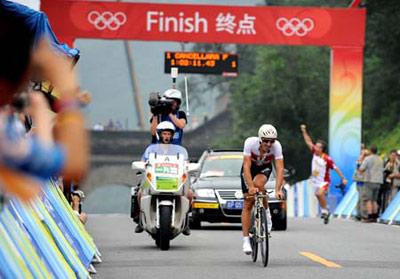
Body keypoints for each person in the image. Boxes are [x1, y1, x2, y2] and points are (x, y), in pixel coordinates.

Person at [134, 121, 192, 235]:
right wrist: (141, 166)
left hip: (174, 180)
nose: (167, 136)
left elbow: (186, 165)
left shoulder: (180, 150)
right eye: (164, 134)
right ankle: (141, 219)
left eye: (169, 134)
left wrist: (189, 167)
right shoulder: (150, 149)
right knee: (140, 193)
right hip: (152, 180)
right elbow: (143, 162)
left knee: (189, 194)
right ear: (159, 134)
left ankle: (186, 222)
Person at [241, 124, 285, 255]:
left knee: (259, 185)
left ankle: (267, 214)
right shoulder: (250, 143)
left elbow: (280, 168)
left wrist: (278, 189)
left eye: (272, 141)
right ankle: (246, 240)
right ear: (260, 139)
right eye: (266, 141)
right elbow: (246, 166)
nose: (269, 144)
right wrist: (249, 187)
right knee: (248, 202)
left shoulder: (277, 147)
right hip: (249, 169)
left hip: (264, 169)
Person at [300, 124, 348, 224]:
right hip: (315, 181)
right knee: (317, 195)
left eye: (318, 147)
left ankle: (325, 210)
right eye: (316, 146)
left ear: (322, 149)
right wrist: (304, 131)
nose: (315, 148)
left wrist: (343, 178)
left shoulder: (327, 159)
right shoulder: (314, 153)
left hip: (324, 181)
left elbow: (336, 168)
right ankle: (325, 210)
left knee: (319, 193)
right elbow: (308, 142)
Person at [357, 144, 383, 222]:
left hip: (369, 181)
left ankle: (369, 216)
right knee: (374, 200)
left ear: (370, 150)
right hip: (378, 181)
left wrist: (359, 163)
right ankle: (375, 216)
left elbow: (361, 169)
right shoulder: (380, 159)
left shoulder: (368, 159)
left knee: (368, 200)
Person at [352, 144, 369, 220]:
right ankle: (362, 214)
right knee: (362, 197)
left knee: (360, 197)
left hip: (360, 179)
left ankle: (359, 213)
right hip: (361, 180)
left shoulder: (361, 159)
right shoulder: (360, 160)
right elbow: (359, 168)